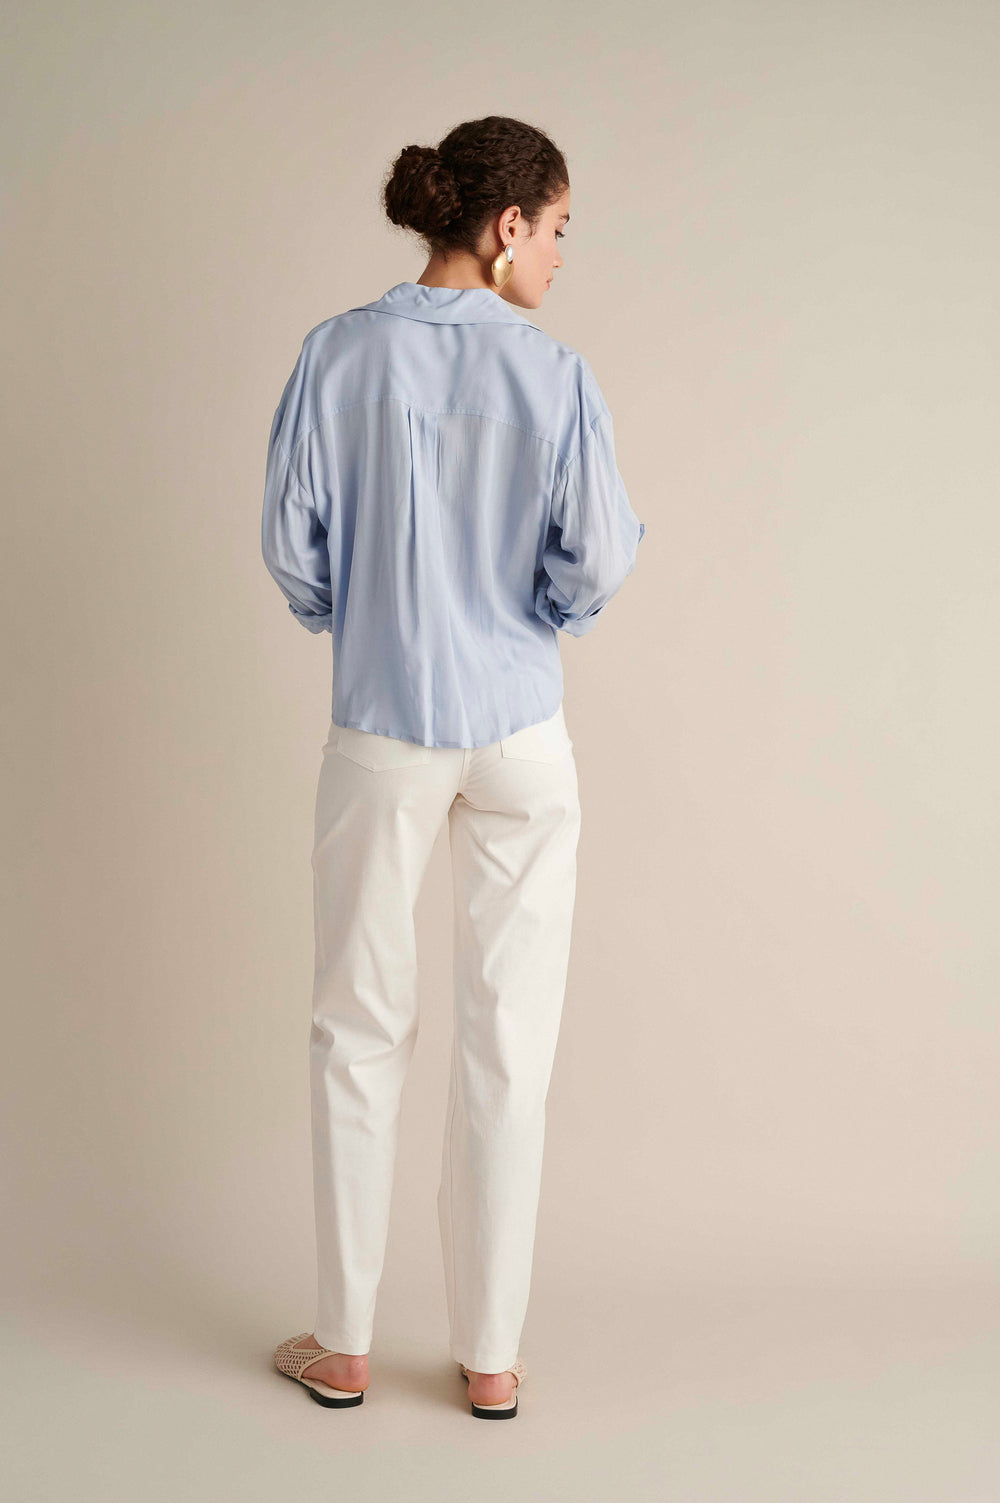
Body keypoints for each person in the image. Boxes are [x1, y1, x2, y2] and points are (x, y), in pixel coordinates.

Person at [263, 115, 645, 1419]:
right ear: (506, 227)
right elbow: (598, 555)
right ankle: (490, 1361)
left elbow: (293, 547)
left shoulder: (335, 354)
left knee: (357, 1032)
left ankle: (345, 1345)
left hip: (380, 726)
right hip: (522, 734)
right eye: (559, 230)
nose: (562, 257)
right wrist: (537, 613)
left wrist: (365, 613)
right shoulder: (557, 374)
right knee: (509, 1044)